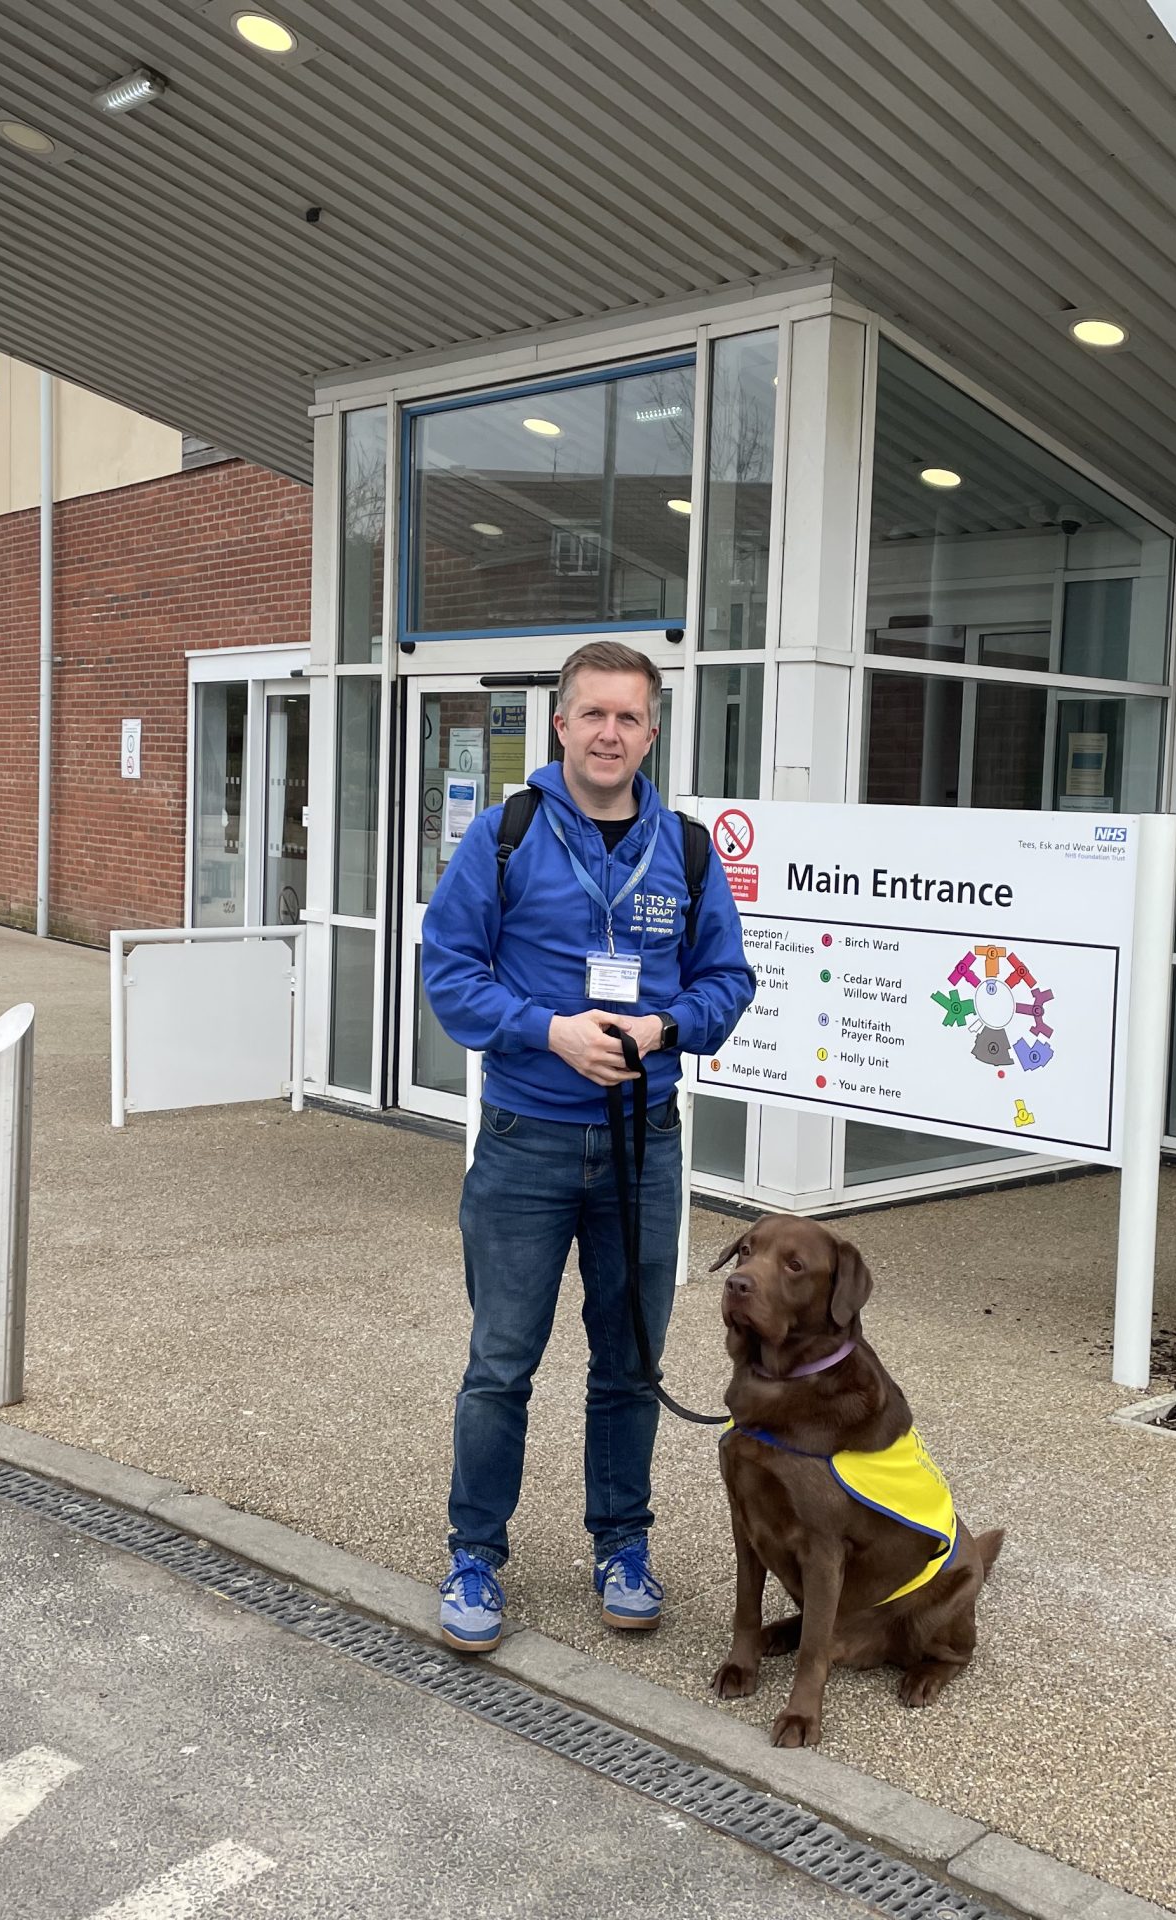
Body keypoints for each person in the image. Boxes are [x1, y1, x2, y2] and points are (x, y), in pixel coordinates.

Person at [420, 640, 756, 1653]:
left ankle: (622, 1543)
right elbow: (449, 972)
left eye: (629, 718)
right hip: (526, 1139)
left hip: (643, 1148)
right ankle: (474, 1554)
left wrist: (663, 1029)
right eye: (592, 714)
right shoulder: (505, 836)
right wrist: (547, 1029)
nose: (609, 732)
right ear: (559, 724)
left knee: (628, 1364)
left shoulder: (688, 851)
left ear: (651, 734)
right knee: (500, 1363)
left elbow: (727, 985)